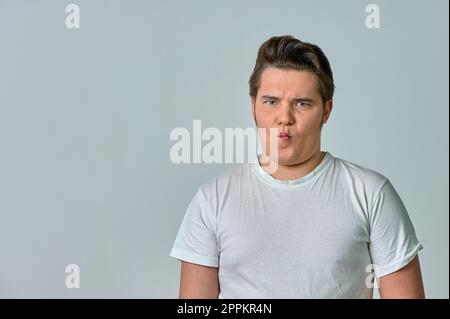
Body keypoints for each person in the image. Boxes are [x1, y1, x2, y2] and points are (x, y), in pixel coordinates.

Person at [169, 35, 425, 298]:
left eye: (302, 103)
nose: (284, 118)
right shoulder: (212, 198)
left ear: (326, 110)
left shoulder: (371, 194)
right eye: (271, 101)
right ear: (253, 106)